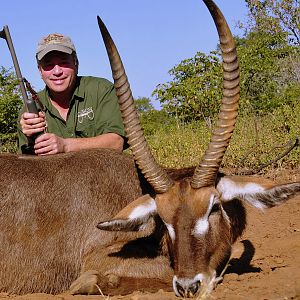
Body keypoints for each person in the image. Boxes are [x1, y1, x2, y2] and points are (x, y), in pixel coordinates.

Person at [18, 33, 125, 155]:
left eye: (64, 62)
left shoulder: (101, 90)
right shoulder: (28, 113)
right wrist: (30, 139)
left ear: (76, 63)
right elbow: (26, 165)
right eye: (49, 65)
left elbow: (116, 143)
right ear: (40, 71)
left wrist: (66, 145)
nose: (57, 71)